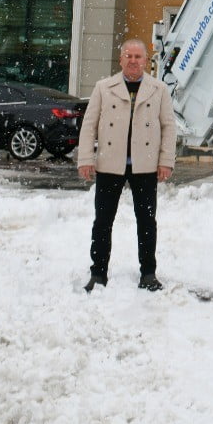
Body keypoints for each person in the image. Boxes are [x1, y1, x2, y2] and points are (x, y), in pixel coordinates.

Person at [76, 39, 175, 292]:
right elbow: (89, 125)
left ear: (146, 61)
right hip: (110, 164)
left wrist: (166, 161)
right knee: (103, 221)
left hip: (145, 165)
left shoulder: (159, 89)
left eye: (138, 57)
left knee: (147, 221)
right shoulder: (103, 87)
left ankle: (148, 273)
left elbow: (168, 127)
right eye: (128, 56)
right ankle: (98, 273)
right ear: (120, 60)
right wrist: (86, 158)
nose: (133, 61)